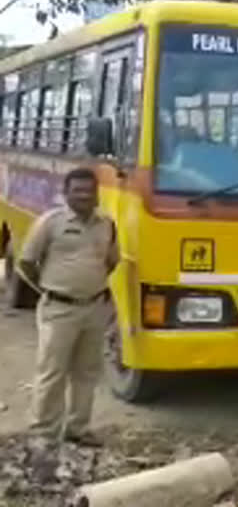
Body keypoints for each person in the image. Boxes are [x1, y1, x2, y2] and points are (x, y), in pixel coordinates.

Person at [17, 167, 120, 447]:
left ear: (97, 194)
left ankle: (78, 428)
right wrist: (50, 289)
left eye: (90, 191)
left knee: (87, 373)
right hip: (58, 309)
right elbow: (26, 262)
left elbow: (112, 260)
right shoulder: (50, 222)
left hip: (94, 308)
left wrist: (90, 286)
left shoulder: (107, 224)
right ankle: (43, 433)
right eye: (78, 191)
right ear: (66, 194)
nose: (84, 196)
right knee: (52, 373)